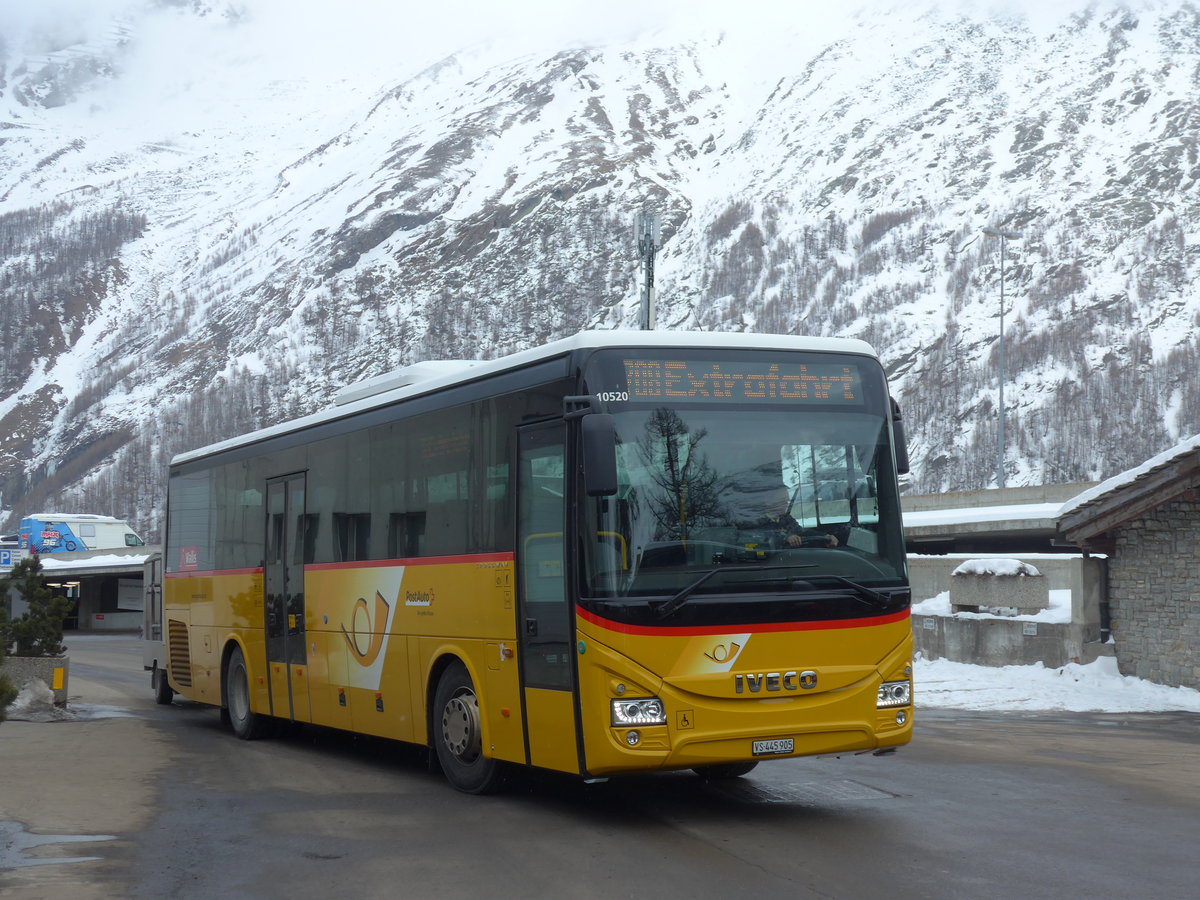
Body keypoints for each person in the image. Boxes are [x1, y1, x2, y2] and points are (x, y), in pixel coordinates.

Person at [736, 485, 838, 549]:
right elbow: (756, 538)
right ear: (767, 501)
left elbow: (802, 532)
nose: (785, 504)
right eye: (782, 501)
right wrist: (784, 538)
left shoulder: (786, 518)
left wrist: (825, 536)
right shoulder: (752, 520)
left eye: (786, 501)